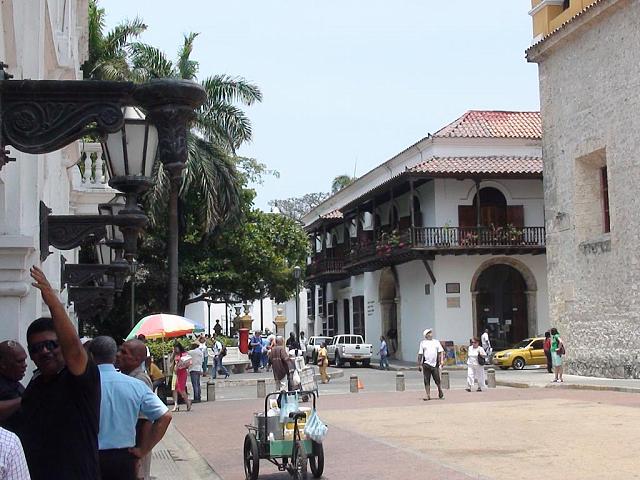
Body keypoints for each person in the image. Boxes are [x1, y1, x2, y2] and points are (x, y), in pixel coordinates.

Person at [5, 266, 101, 480]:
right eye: (37, 348)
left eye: (51, 344)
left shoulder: (80, 380)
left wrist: (53, 302)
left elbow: (74, 350)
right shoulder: (35, 385)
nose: (45, 352)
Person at [90, 336, 171, 480]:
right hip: (123, 458)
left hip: (91, 456)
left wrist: (143, 450)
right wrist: (142, 451)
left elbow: (148, 420)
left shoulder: (82, 385)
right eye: (120, 351)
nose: (120, 355)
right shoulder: (134, 385)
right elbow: (164, 416)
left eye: (124, 352)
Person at [0, 341, 27, 421]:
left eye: (24, 360)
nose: (25, 365)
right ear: (3, 364)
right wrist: (25, 400)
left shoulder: (13, 381)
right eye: (19, 361)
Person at [417, 328, 444, 401]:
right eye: (429, 333)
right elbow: (420, 354)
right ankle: (427, 394)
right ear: (426, 335)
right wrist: (419, 364)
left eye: (431, 332)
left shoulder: (436, 342)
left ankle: (440, 390)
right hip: (426, 364)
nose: (431, 334)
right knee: (426, 379)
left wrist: (441, 360)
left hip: (435, 364)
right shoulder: (423, 343)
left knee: (437, 379)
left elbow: (441, 351)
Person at [171, 343, 192, 411]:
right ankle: (176, 404)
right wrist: (173, 353)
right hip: (176, 372)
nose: (175, 349)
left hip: (182, 372)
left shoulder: (184, 354)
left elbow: (189, 362)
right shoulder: (175, 354)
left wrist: (183, 364)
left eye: (176, 348)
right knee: (175, 388)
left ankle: (187, 402)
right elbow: (171, 360)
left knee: (181, 389)